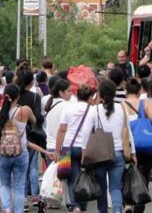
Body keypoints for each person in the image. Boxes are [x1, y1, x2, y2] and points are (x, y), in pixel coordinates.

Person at [0, 84, 51, 213]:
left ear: (4, 96)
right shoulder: (25, 110)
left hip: (2, 153)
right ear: (18, 97)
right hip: (21, 153)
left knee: (5, 184)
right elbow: (35, 121)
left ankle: (6, 208)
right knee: (19, 186)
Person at [80, 80, 137, 213]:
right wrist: (133, 153)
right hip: (118, 154)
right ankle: (117, 211)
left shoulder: (95, 110)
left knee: (101, 188)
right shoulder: (122, 108)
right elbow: (128, 133)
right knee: (115, 187)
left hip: (99, 155)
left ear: (99, 93)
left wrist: (84, 153)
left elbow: (85, 133)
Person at [122, 78, 152, 213]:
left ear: (126, 91)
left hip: (125, 147)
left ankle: (126, 204)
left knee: (124, 177)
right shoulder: (144, 104)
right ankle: (138, 209)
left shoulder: (120, 105)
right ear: (140, 91)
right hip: (143, 147)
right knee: (143, 178)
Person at [53, 84, 94, 213]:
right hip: (86, 148)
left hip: (69, 146)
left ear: (77, 95)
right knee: (85, 177)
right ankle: (84, 208)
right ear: (90, 97)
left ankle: (75, 206)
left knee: (72, 179)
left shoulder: (69, 108)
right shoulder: (93, 110)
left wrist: (57, 150)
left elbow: (62, 130)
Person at [15, 70, 44, 210]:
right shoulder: (35, 97)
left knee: (21, 169)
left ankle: (24, 200)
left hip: (16, 134)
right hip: (32, 135)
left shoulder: (15, 96)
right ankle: (35, 196)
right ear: (31, 82)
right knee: (32, 166)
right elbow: (38, 117)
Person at [44, 78, 71, 166]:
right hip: (61, 149)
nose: (71, 94)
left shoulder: (49, 104)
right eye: (69, 91)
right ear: (61, 92)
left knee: (52, 178)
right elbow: (63, 130)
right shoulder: (67, 106)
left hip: (50, 148)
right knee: (64, 178)